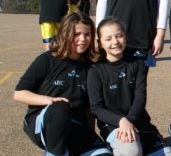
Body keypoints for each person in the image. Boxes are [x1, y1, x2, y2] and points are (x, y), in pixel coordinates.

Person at [13, 12, 111, 156]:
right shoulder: (47, 60)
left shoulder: (91, 67)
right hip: (44, 122)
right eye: (76, 34)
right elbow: (19, 94)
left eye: (87, 34)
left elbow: (88, 109)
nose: (82, 39)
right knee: (61, 109)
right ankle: (55, 152)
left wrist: (90, 134)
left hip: (75, 125)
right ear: (65, 34)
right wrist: (50, 100)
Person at [87, 17, 171, 156]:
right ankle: (115, 148)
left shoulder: (137, 64)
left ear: (125, 37)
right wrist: (121, 121)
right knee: (131, 151)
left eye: (119, 36)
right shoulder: (95, 71)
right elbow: (96, 108)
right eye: (108, 39)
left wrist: (130, 120)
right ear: (100, 43)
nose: (115, 42)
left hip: (139, 121)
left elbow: (140, 97)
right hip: (114, 126)